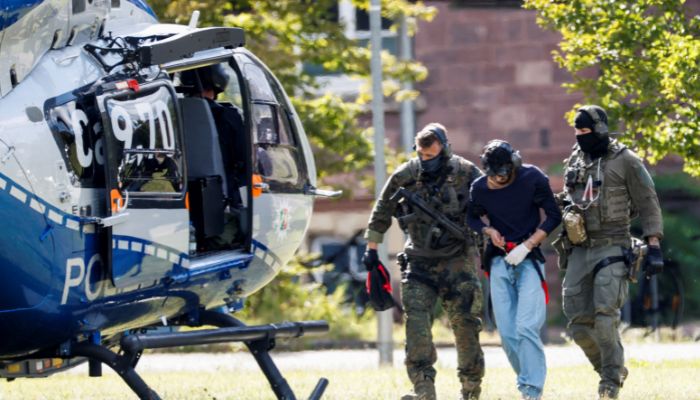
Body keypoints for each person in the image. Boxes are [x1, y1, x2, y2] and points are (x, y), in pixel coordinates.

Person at [362, 123, 485, 400]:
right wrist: (371, 249)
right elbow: (381, 210)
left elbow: (490, 203)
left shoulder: (466, 172)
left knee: (465, 326)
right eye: (422, 155)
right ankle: (423, 390)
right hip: (419, 262)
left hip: (458, 262)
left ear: (445, 148)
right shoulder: (406, 174)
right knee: (416, 328)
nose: (426, 161)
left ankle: (470, 390)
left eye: (431, 155)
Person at [556, 105, 664, 400]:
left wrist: (653, 245)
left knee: (605, 318)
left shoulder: (626, 160)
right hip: (580, 247)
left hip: (614, 243)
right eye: (577, 132)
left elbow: (648, 201)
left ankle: (609, 384)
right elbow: (569, 197)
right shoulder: (576, 159)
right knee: (578, 325)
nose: (580, 137)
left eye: (586, 131)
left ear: (601, 129)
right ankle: (612, 368)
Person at [467, 140, 561, 400]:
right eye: (494, 176)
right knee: (507, 333)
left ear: (514, 165)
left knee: (526, 327)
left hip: (528, 259)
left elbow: (554, 215)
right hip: (498, 261)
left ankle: (531, 391)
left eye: (504, 175)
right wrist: (488, 230)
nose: (499, 179)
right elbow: (471, 217)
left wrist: (529, 245)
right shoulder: (479, 188)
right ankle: (527, 380)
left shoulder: (532, 178)